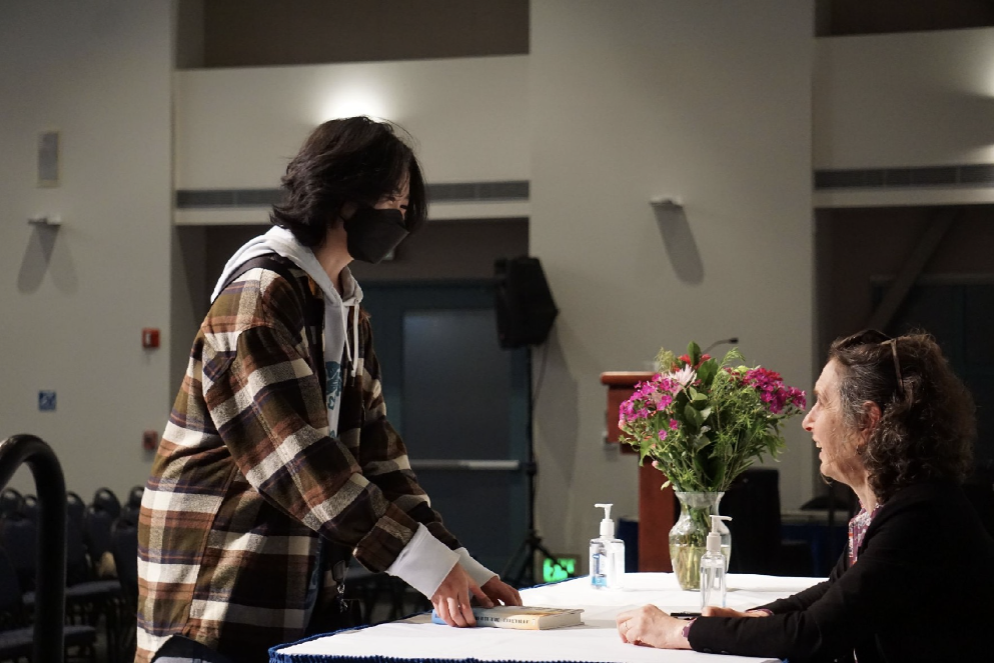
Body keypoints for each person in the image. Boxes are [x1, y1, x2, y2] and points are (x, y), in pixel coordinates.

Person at [137, 117, 521, 663]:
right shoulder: (260, 297)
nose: (402, 216)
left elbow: (378, 454)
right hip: (220, 576)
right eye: (392, 198)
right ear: (342, 194)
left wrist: (458, 564)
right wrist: (426, 566)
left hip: (297, 567)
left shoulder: (344, 304)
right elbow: (302, 463)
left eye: (406, 201)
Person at [615, 330, 994, 662]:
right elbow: (833, 592)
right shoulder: (908, 505)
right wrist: (758, 618)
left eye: (822, 402)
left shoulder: (920, 517)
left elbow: (813, 634)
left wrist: (677, 633)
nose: (808, 420)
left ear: (867, 421)